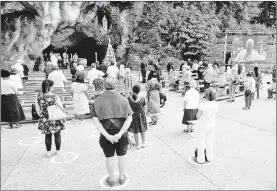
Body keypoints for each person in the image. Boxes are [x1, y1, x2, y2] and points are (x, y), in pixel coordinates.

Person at [91, 77, 133, 187]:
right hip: (121, 133)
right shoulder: (123, 99)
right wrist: (120, 134)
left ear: (104, 85)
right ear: (116, 85)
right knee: (122, 156)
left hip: (106, 133)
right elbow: (129, 118)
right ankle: (122, 177)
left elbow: (96, 121)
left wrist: (107, 135)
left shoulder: (98, 100)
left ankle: (112, 178)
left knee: (109, 157)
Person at [35, 80, 65, 157]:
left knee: (47, 135)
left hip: (45, 118)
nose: (53, 88)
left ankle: (48, 152)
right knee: (57, 134)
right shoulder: (55, 96)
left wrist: (41, 115)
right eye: (52, 86)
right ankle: (58, 151)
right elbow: (60, 107)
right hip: (55, 117)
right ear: (50, 87)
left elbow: (37, 107)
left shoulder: (39, 95)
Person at [192, 88, 218, 164]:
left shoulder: (203, 104)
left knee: (201, 141)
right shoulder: (215, 104)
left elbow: (197, 116)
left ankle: (201, 159)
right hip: (212, 124)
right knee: (210, 141)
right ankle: (209, 157)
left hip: (203, 125)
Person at [128, 84, 148, 149]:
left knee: (135, 130)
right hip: (141, 116)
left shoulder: (128, 99)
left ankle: (137, 144)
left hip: (133, 116)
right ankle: (143, 143)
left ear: (133, 90)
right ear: (139, 91)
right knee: (142, 129)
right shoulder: (142, 98)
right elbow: (144, 108)